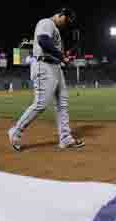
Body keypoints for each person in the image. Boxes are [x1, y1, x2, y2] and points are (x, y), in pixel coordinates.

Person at [8, 8, 84, 151]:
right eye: (66, 20)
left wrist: (63, 56)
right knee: (41, 103)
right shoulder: (46, 22)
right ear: (61, 15)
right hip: (43, 66)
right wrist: (62, 57)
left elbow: (54, 50)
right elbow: (43, 41)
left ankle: (65, 138)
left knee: (62, 103)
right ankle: (15, 132)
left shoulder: (55, 30)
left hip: (55, 67)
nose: (66, 24)